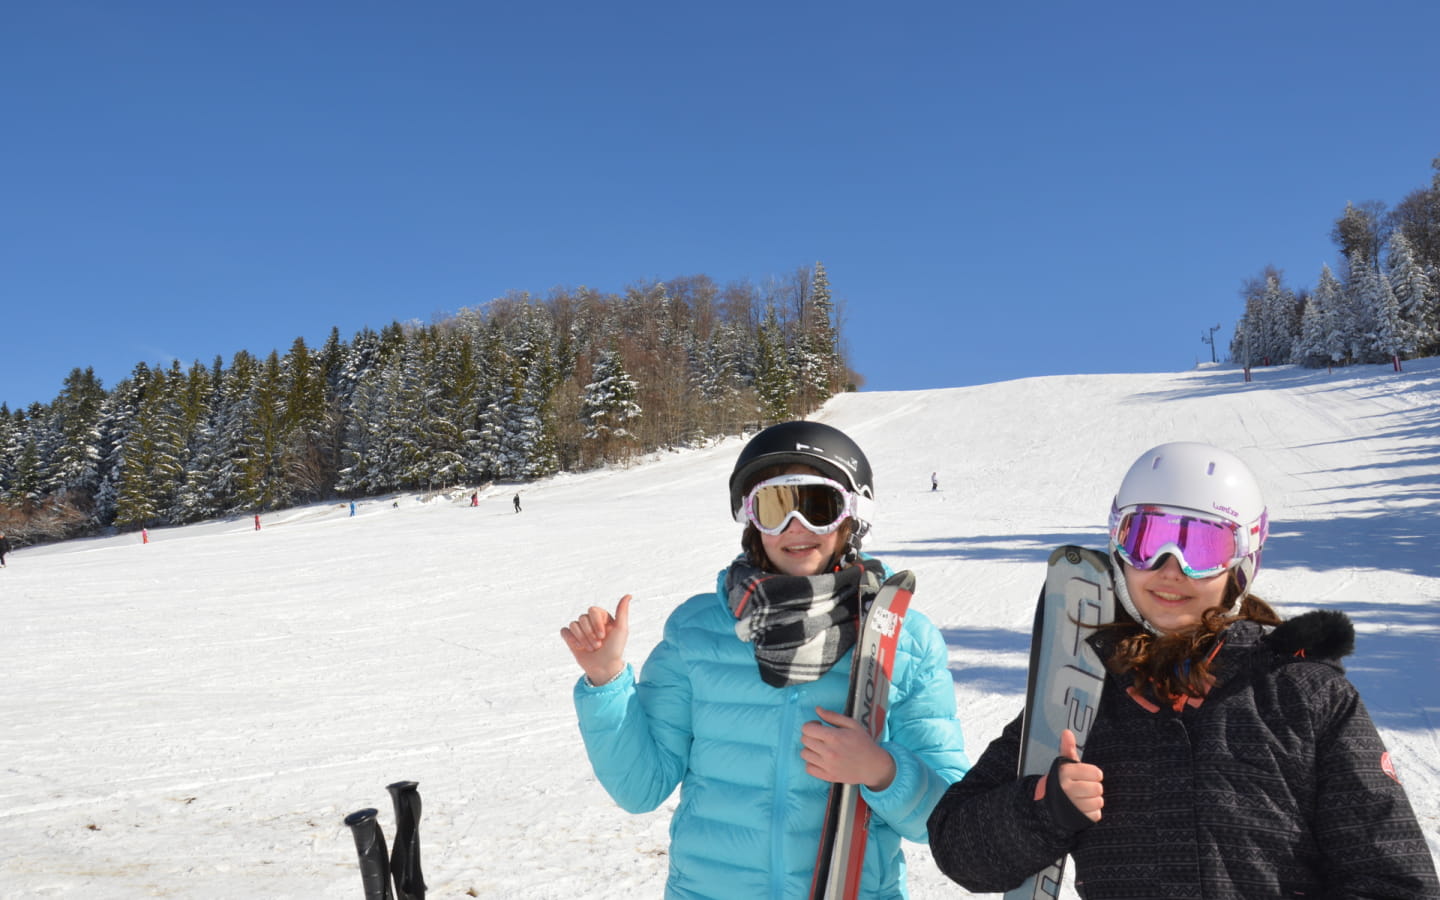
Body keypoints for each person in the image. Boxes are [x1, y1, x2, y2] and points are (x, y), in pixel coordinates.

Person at [927, 441, 1439, 898]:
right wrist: (1044, 807)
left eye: (1202, 548)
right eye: (1147, 539)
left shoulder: (1302, 695)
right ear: (1118, 546)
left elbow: (1393, 877)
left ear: (1241, 562)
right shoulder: (1084, 690)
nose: (1170, 568)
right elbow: (956, 845)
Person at [561, 421, 969, 898]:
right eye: (774, 507)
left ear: (853, 515)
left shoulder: (904, 640)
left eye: (819, 506)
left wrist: (881, 771)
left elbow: (947, 819)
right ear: (752, 521)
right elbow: (640, 787)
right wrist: (606, 680)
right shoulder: (697, 631)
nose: (796, 528)